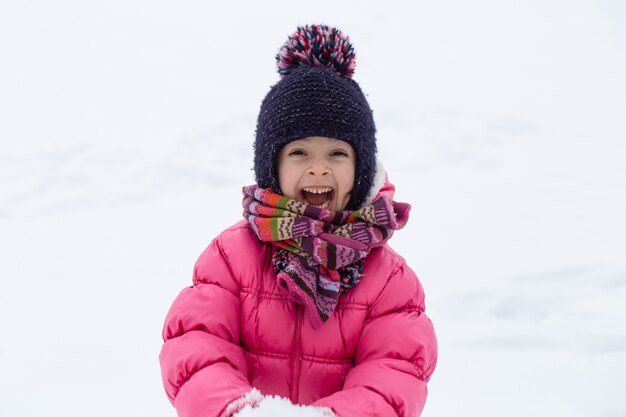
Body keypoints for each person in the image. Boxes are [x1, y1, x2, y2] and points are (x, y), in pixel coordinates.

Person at [159, 24, 438, 417]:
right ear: (272, 166)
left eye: (337, 154)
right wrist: (238, 410)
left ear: (361, 169)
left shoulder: (390, 281)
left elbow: (395, 372)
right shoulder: (230, 257)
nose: (319, 170)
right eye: (299, 153)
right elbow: (196, 345)